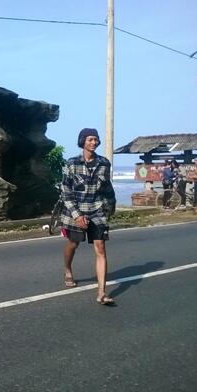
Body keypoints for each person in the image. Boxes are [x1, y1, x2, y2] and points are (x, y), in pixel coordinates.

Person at [60, 128, 117, 305]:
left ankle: (101, 293)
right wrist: (77, 215)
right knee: (73, 243)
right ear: (83, 141)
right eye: (90, 139)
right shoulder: (72, 163)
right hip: (75, 211)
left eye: (96, 139)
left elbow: (107, 188)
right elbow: (65, 191)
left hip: (97, 210)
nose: (94, 142)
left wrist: (109, 208)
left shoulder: (104, 163)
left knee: (100, 248)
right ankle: (67, 269)